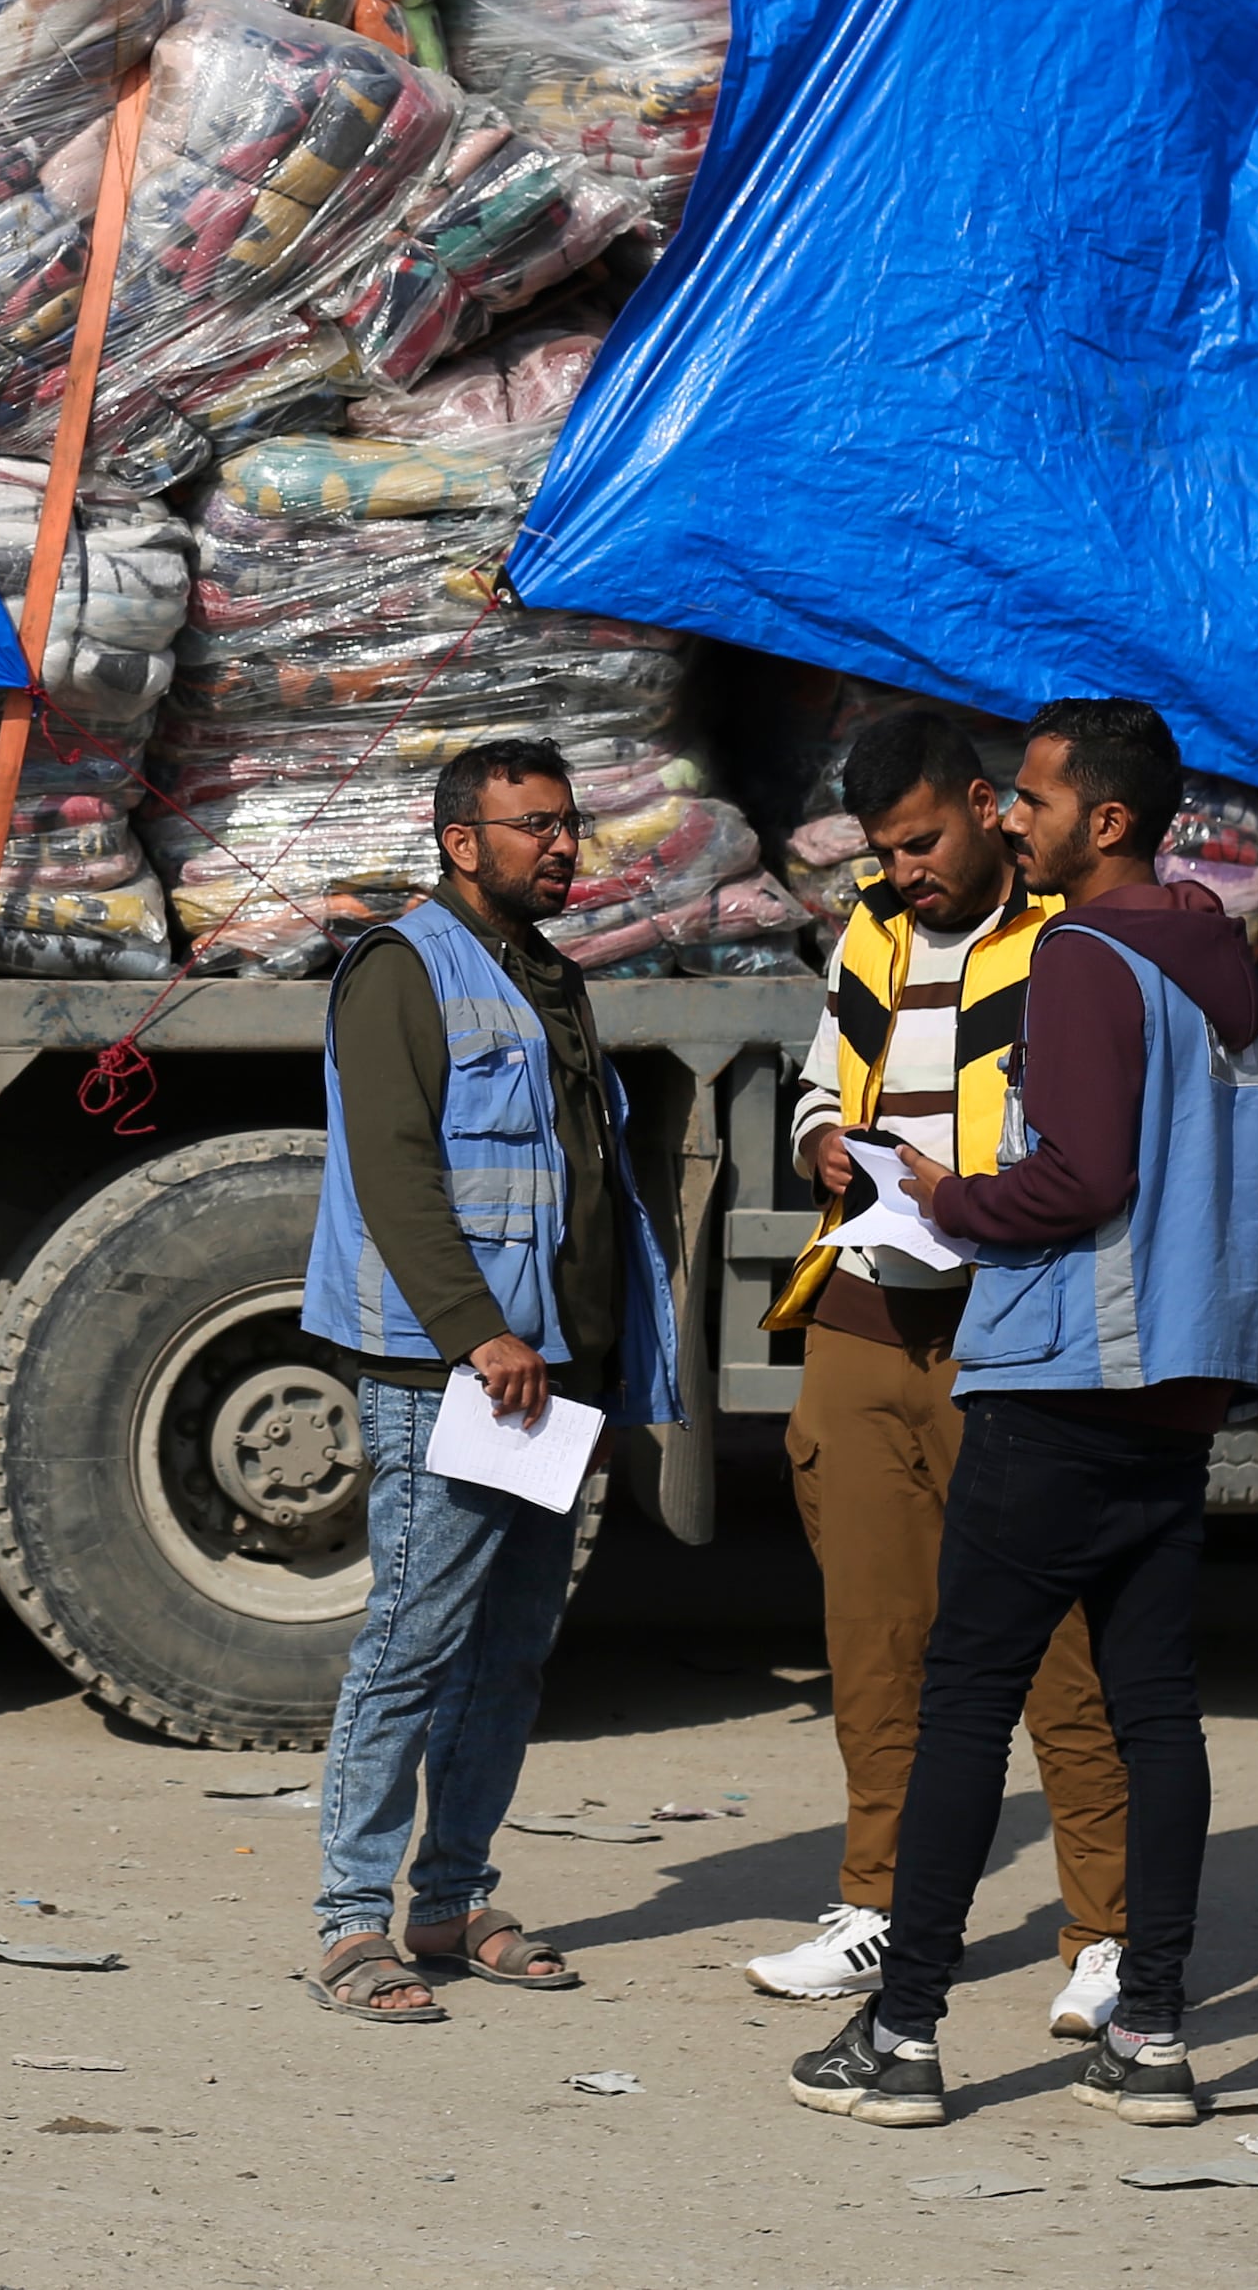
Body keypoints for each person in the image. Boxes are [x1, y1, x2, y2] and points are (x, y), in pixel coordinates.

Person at [788, 697, 1258, 2131]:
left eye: (1039, 797)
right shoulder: (1223, 960)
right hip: (1181, 1389)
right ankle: (1152, 2034)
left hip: (1066, 1373)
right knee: (1158, 1710)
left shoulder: (1084, 952)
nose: (1017, 814)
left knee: (964, 1704)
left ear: (1107, 819)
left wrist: (948, 1196)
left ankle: (903, 2034)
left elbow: (1075, 1179)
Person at [738, 704, 1134, 2043]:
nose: (905, 868)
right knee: (873, 1631)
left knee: (1051, 1645)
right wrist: (823, 1147)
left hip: (1005, 1323)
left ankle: (1106, 1930)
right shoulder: (870, 934)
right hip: (859, 1311)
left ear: (985, 805)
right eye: (887, 851)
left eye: (921, 842)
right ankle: (878, 1904)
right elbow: (815, 1074)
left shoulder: (1062, 941)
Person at [298, 734, 677, 2025]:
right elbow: (397, 1172)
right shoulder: (401, 969)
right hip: (452, 1370)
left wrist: (607, 1378)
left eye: (569, 823)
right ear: (462, 839)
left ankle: (450, 1895)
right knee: (414, 1635)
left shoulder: (550, 977)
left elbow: (583, 1187)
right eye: (534, 825)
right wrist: (476, 1331)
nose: (564, 845)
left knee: (511, 1649)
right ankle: (354, 1924)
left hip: (551, 1375)